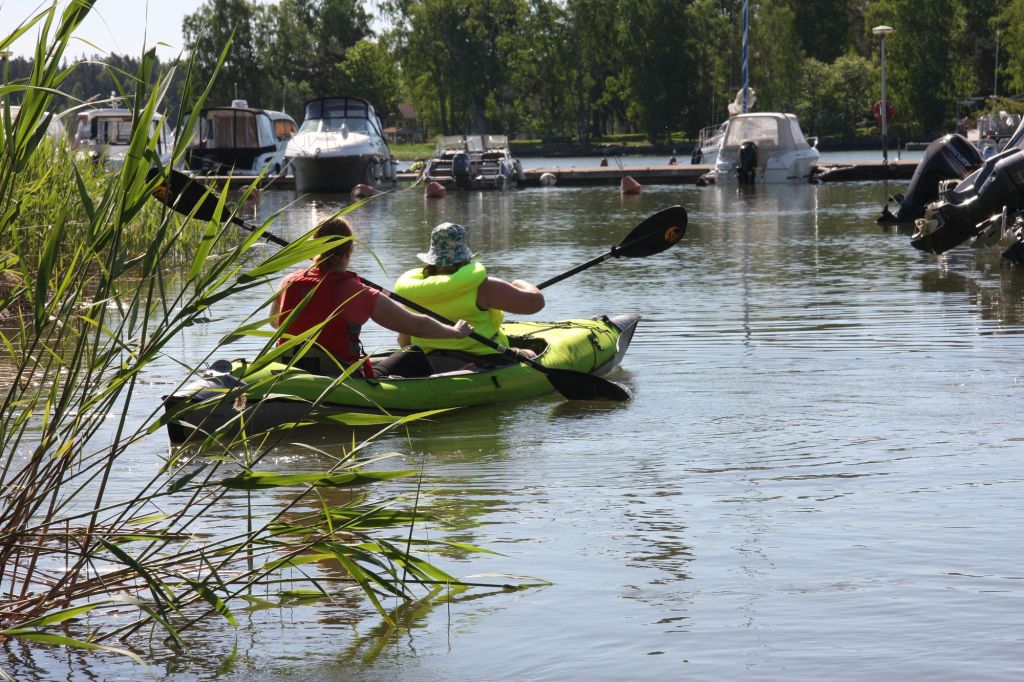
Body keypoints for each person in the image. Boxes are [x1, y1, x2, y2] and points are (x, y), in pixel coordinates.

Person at [269, 217, 472, 377]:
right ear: (349, 251)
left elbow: (276, 323)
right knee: (413, 354)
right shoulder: (355, 290)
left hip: (291, 368)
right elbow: (416, 325)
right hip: (339, 378)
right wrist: (455, 332)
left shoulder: (289, 280)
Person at [391, 222, 544, 362]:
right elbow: (536, 303)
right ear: (464, 255)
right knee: (530, 354)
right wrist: (518, 283)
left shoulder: (415, 293)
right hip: (484, 358)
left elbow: (404, 341)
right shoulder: (485, 287)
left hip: (430, 359)